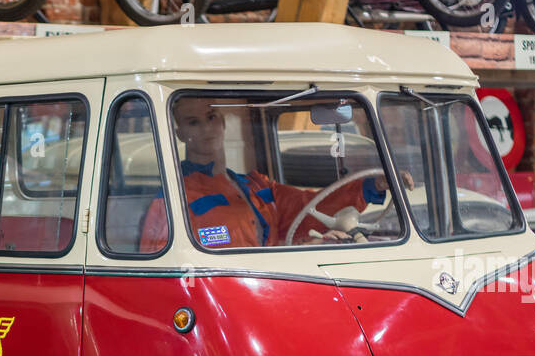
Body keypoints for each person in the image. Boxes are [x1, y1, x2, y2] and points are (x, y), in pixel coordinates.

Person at [141, 97, 404, 253]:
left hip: (273, 290)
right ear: (180, 134)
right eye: (193, 122)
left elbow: (311, 207)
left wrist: (373, 186)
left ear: (221, 122)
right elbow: (159, 261)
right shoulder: (175, 196)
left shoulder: (256, 187)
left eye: (210, 117)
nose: (206, 128)